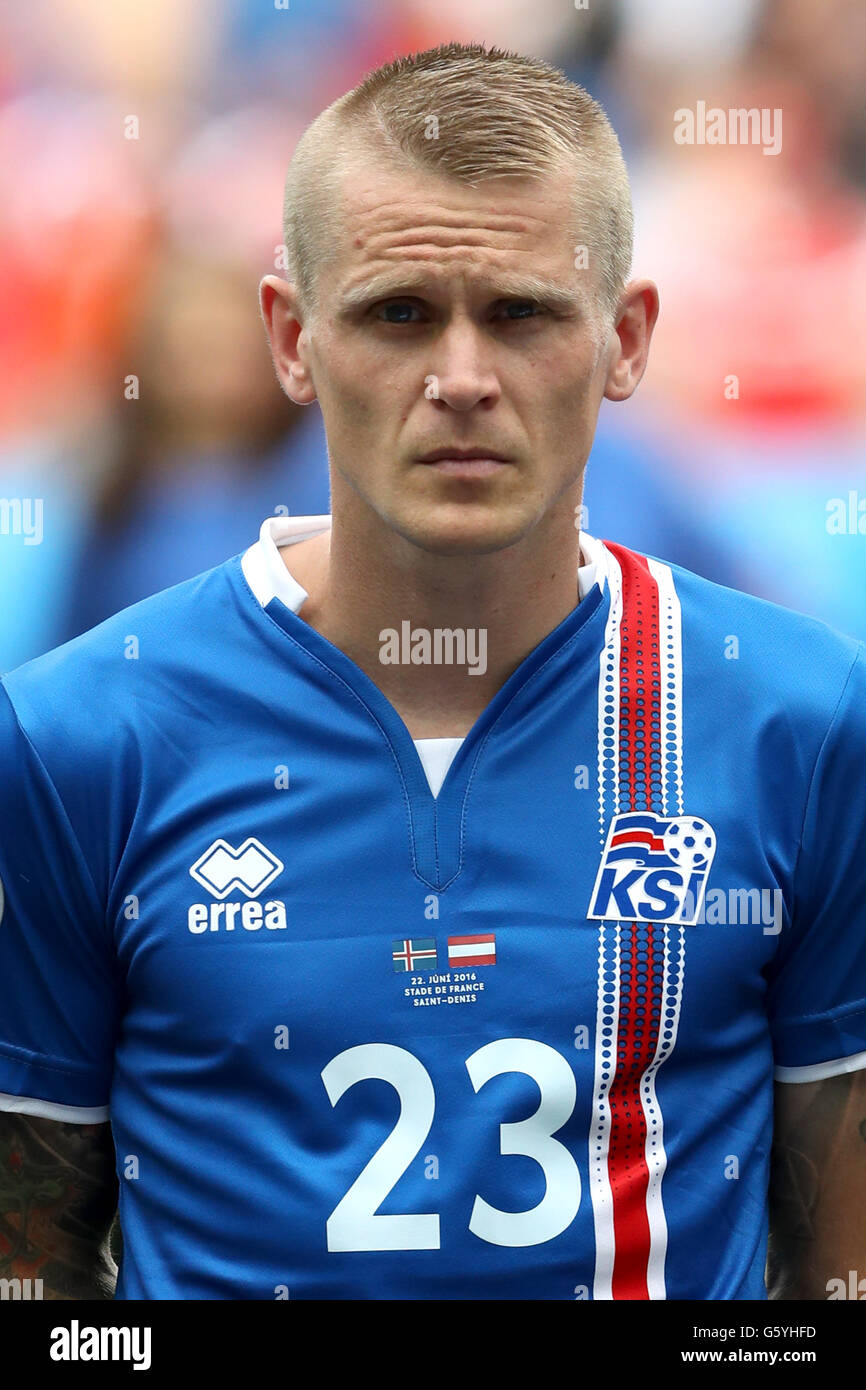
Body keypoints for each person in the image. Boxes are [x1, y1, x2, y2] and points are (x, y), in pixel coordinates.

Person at [0, 41, 864, 1302]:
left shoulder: (794, 718)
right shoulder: (82, 734)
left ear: (624, 338)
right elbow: (37, 1272)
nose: (460, 381)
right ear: (292, 342)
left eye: (520, 312)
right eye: (398, 313)